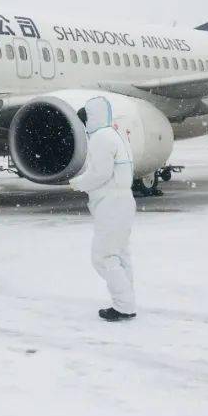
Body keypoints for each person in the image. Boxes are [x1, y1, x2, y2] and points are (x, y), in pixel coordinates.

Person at [70, 97, 137, 322]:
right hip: (122, 200)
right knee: (119, 254)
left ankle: (123, 306)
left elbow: (100, 173)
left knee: (103, 256)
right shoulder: (113, 134)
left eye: (84, 120)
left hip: (111, 203)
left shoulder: (101, 138)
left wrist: (76, 183)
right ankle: (127, 301)